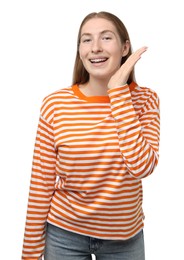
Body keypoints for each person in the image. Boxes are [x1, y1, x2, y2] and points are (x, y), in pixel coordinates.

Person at [22, 11, 160, 260]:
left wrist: (118, 92)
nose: (95, 47)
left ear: (125, 47)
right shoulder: (55, 104)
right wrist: (30, 254)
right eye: (86, 40)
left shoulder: (145, 100)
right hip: (64, 234)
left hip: (124, 238)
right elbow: (41, 184)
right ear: (80, 50)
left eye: (106, 38)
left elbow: (142, 166)